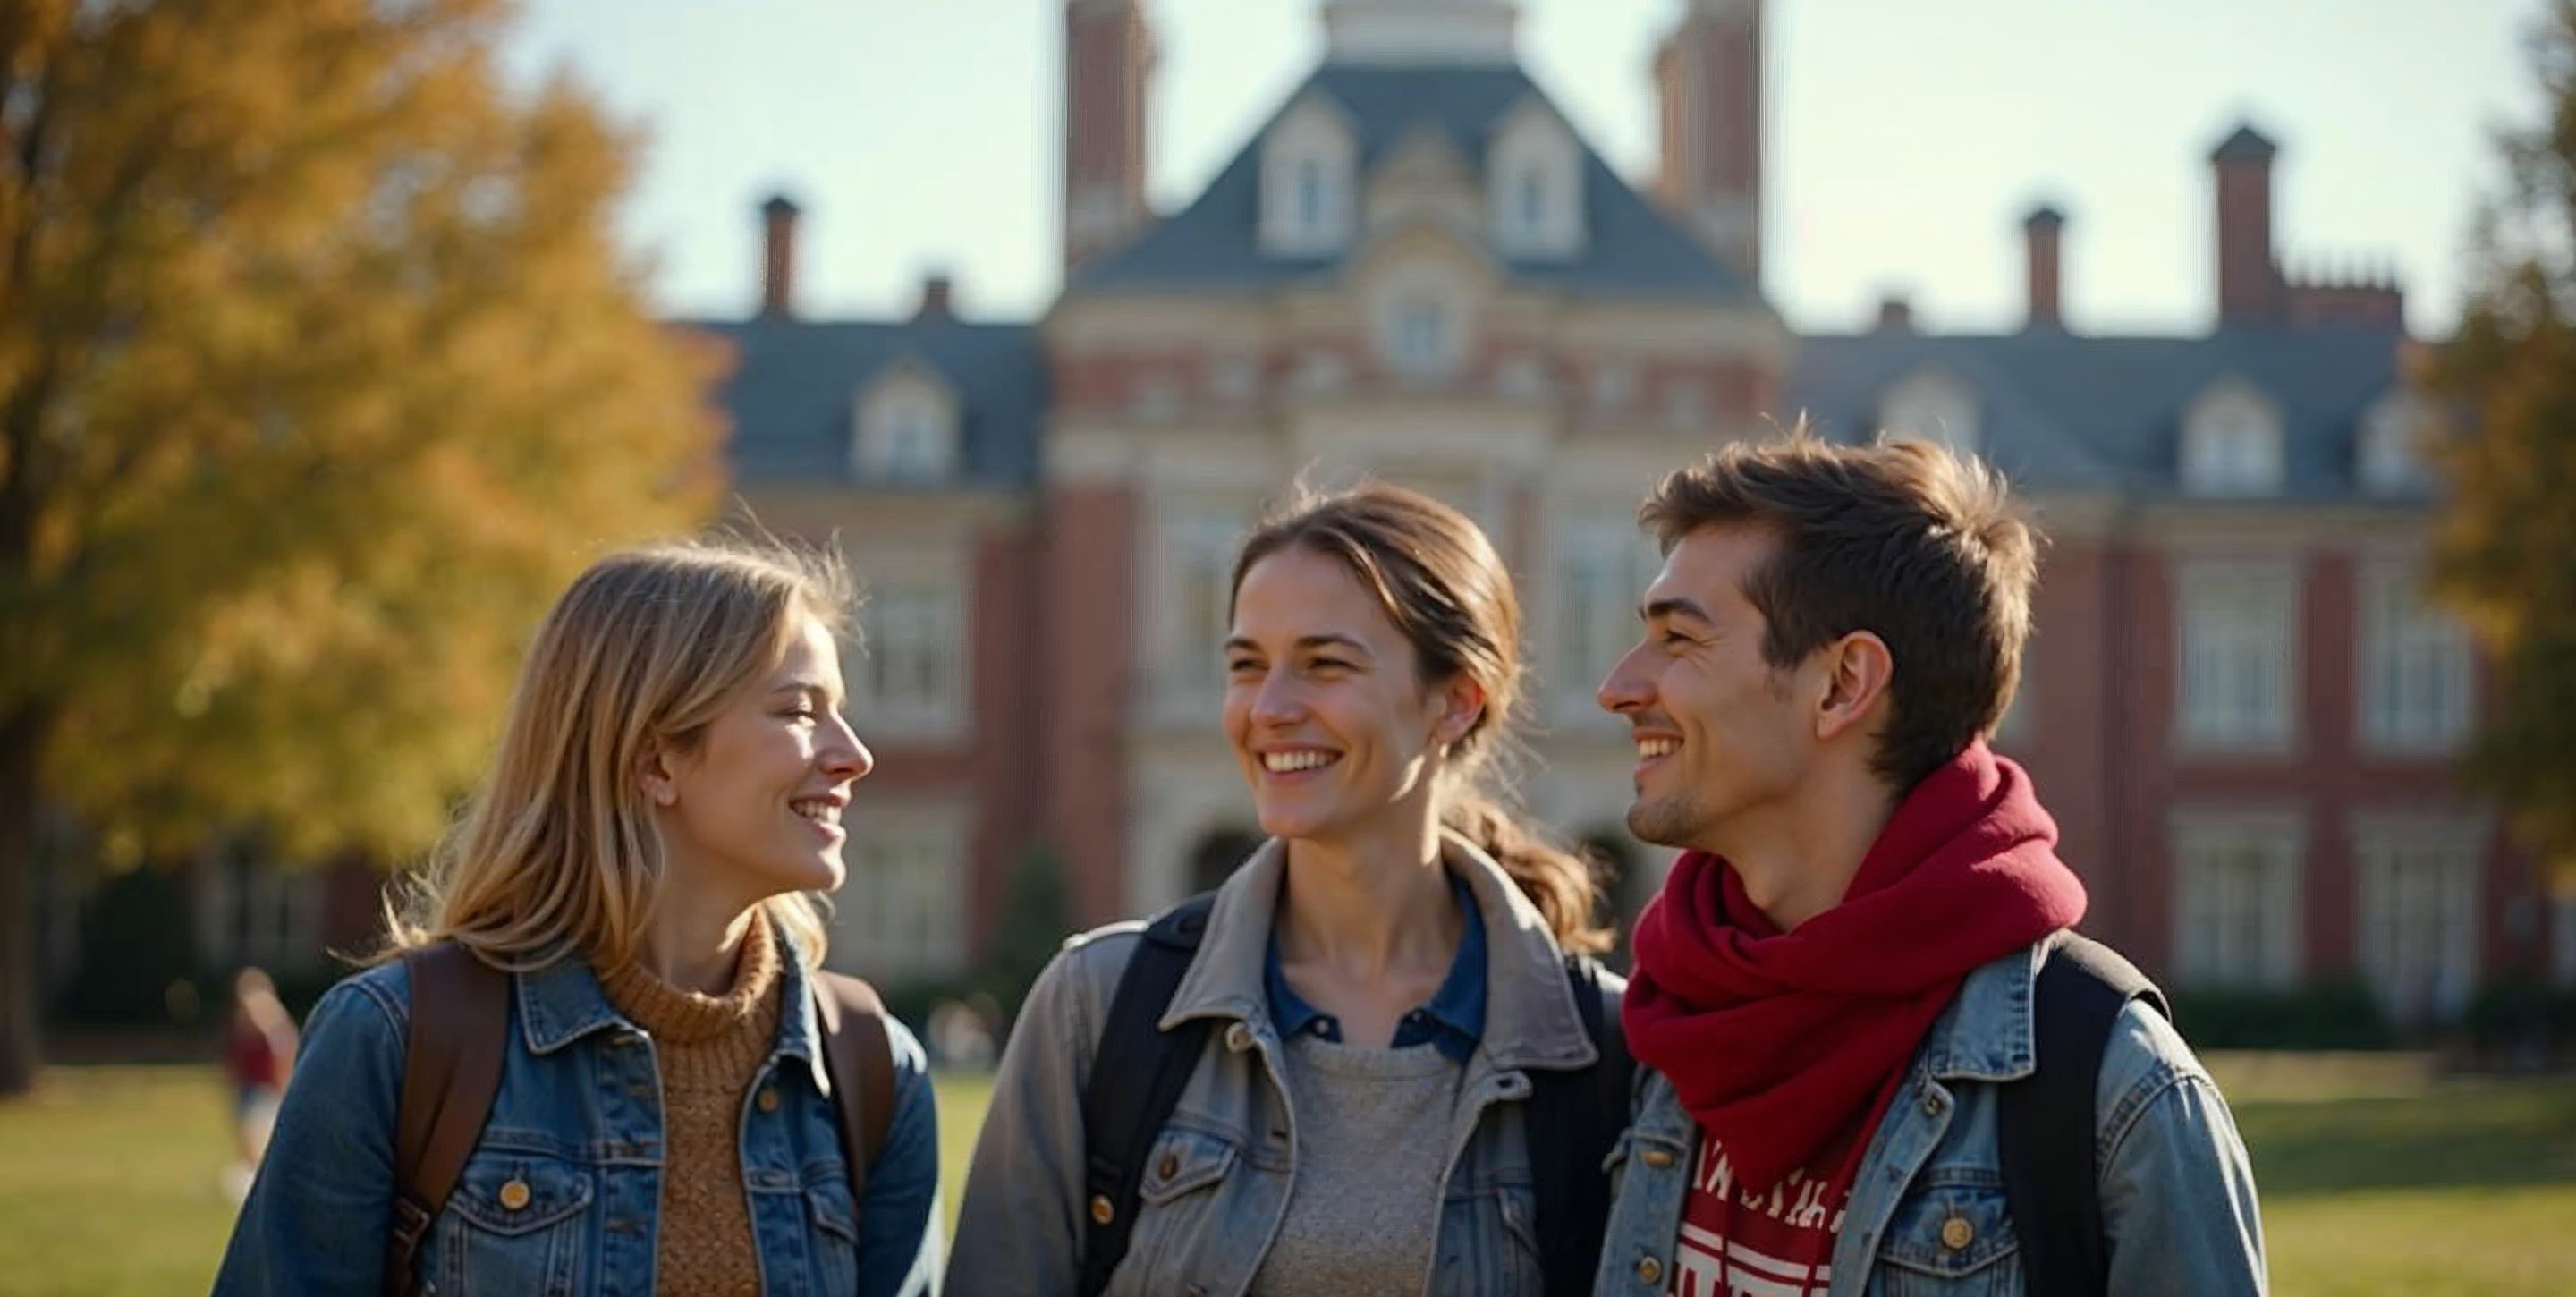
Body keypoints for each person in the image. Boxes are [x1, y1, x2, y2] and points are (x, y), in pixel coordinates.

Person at [1589, 434, 2266, 1295]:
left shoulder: (2113, 1086)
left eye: (1679, 641)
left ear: (1842, 685)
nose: (1617, 686)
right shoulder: (1656, 1033)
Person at [212, 541, 943, 1297]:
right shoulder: (390, 1041)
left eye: (841, 715)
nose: (853, 756)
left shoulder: (872, 1071)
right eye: (798, 710)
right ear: (655, 760)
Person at [950, 484, 1631, 1296]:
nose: (1268, 709)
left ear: (1455, 703)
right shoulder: (1100, 1008)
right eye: (1246, 666)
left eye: (1325, 665)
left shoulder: (1603, 1050)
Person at [220, 967, 300, 1192]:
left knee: (260, 1142)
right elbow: (234, 1058)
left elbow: (283, 1054)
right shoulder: (242, 1021)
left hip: (264, 1091)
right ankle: (254, 1183)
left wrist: (282, 1085)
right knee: (249, 1143)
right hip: (250, 1090)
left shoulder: (271, 1020)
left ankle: (260, 1185)